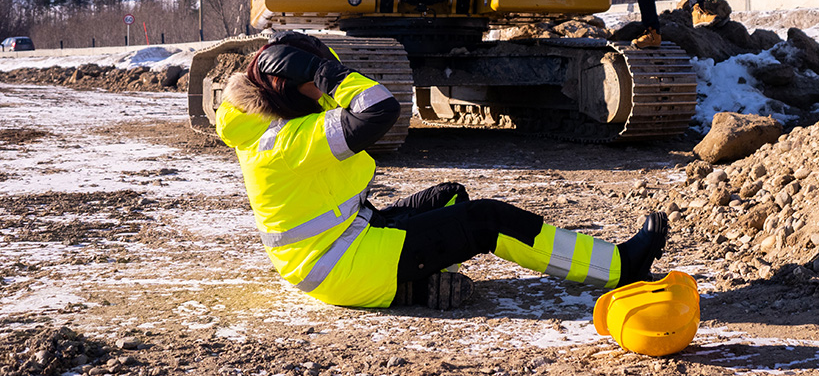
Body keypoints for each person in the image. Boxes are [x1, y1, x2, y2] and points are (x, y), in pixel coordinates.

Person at [215, 32, 669, 310]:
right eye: (320, 79)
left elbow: (346, 104)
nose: (330, 82)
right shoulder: (286, 140)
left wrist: (318, 70)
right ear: (290, 89)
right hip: (343, 268)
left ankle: (414, 285)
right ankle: (620, 267)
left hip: (345, 245)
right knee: (489, 221)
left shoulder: (273, 120)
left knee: (450, 196)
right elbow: (378, 109)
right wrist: (329, 73)